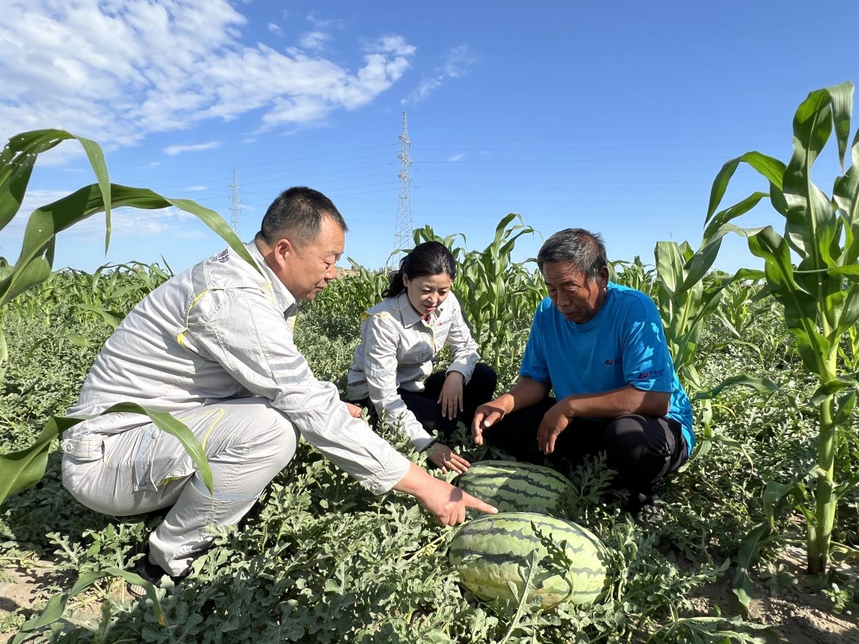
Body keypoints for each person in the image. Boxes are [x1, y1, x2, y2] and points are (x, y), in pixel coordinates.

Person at [61, 187, 496, 587]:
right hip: (109, 456)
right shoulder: (236, 299)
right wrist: (427, 487)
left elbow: (284, 381)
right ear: (284, 250)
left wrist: (329, 404)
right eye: (328, 260)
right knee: (271, 430)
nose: (334, 274)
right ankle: (167, 562)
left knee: (297, 413)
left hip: (160, 434)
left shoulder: (254, 284)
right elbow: (302, 401)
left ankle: (191, 506)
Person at [472, 228, 693, 519]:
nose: (560, 301)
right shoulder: (547, 313)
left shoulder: (633, 309)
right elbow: (536, 381)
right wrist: (502, 404)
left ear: (601, 277)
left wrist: (570, 405)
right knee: (500, 423)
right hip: (585, 422)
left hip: (651, 424)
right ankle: (595, 469)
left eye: (569, 287)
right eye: (551, 288)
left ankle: (641, 494)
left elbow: (654, 399)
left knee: (630, 439)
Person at [346, 241, 497, 475]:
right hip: (376, 397)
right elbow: (384, 397)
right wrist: (425, 445)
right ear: (406, 280)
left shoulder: (449, 304)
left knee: (484, 376)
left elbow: (467, 346)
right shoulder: (384, 321)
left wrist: (455, 374)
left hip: (417, 385)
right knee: (439, 424)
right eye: (426, 290)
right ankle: (443, 434)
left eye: (443, 291)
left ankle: (458, 430)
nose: (434, 299)